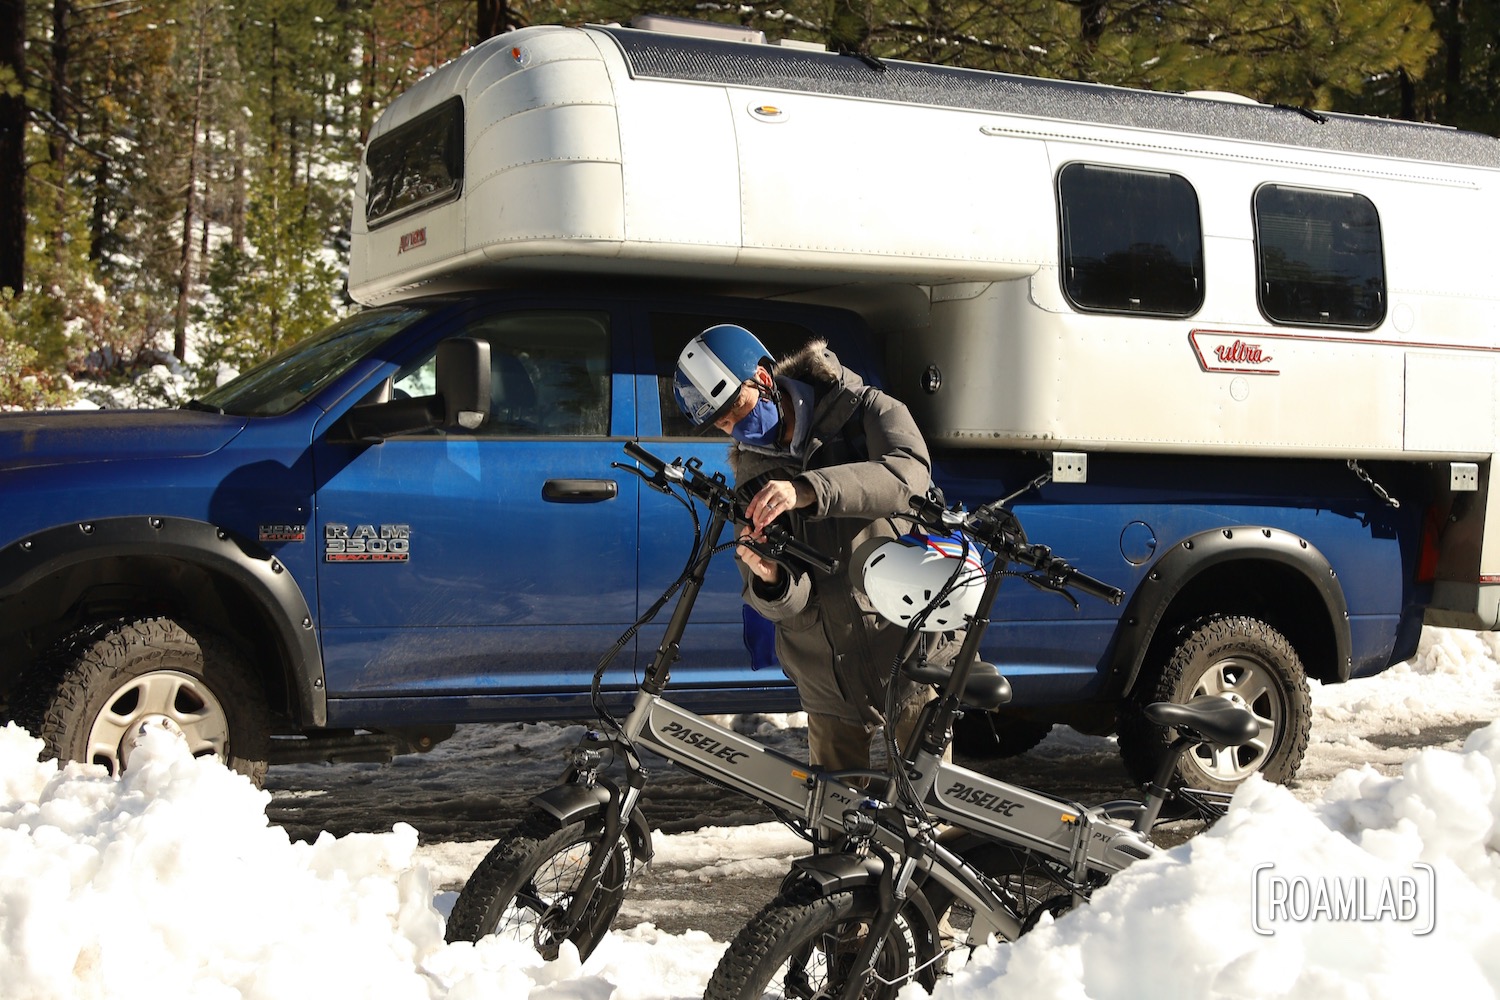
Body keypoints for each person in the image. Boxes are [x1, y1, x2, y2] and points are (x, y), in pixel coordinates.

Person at [672, 323, 954, 771]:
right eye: (719, 423)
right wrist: (770, 579)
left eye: (735, 408)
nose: (732, 426)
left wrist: (807, 489)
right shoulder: (752, 481)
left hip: (908, 650)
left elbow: (907, 478)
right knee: (837, 830)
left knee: (925, 820)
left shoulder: (867, 409)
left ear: (763, 380)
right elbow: (786, 600)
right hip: (828, 679)